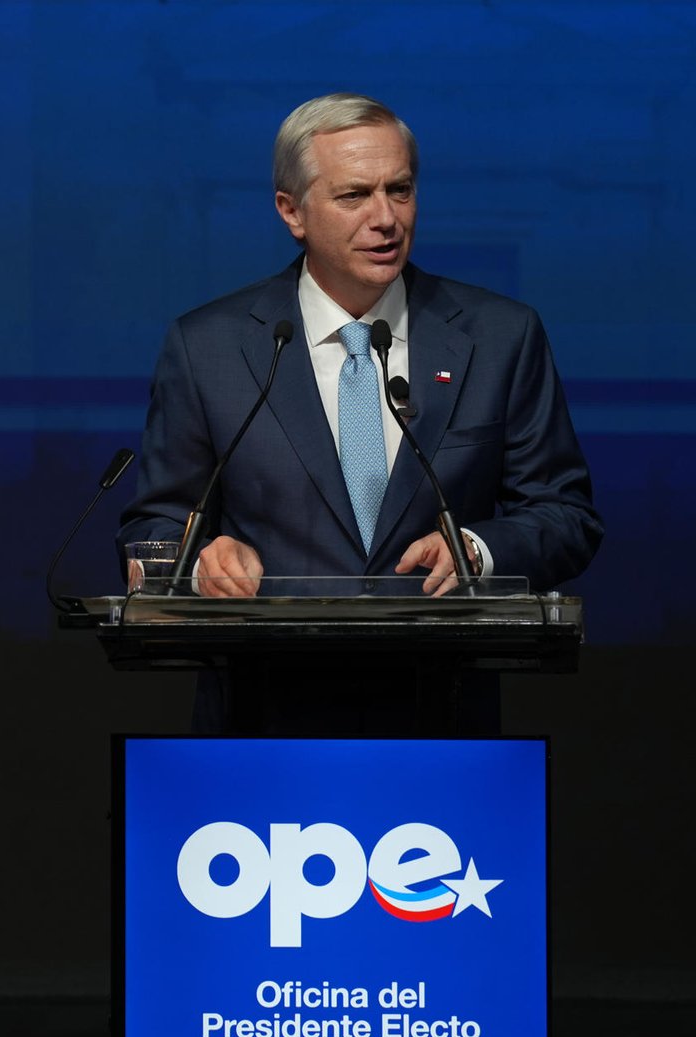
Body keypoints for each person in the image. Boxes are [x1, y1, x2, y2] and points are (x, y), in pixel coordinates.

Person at [118, 92, 602, 732]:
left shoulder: (499, 337)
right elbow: (153, 522)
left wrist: (477, 550)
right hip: (262, 718)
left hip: (442, 718)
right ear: (291, 211)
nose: (386, 219)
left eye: (399, 190)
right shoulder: (209, 347)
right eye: (354, 196)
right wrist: (202, 555)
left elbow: (566, 515)